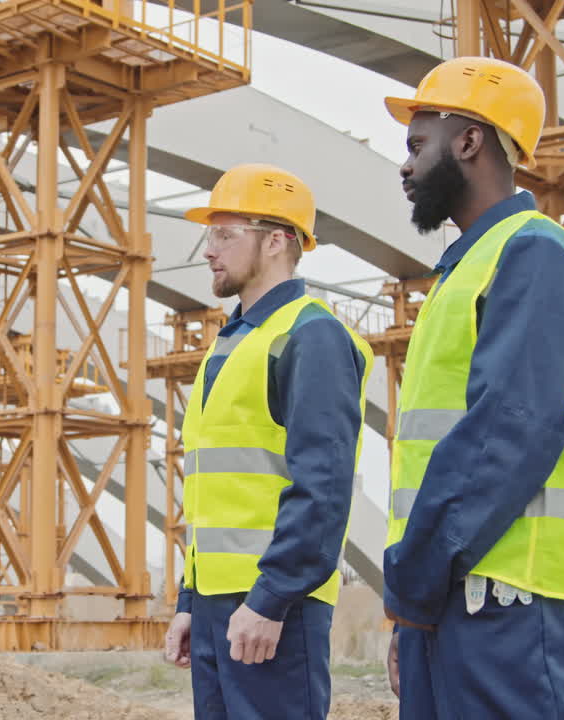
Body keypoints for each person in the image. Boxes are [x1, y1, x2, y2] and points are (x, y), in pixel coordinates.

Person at [380, 56, 564, 719]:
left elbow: (506, 434)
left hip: (507, 604)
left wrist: (414, 587)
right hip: (460, 598)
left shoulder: (531, 254)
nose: (405, 167)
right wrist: (413, 608)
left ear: (468, 141)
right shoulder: (468, 268)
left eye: (417, 145)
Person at [160, 163, 373, 719]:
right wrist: (190, 601)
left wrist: (271, 599)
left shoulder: (311, 336)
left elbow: (323, 487)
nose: (209, 251)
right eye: (209, 235)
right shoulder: (231, 344)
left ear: (277, 241)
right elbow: (215, 498)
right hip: (220, 607)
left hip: (274, 608)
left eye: (224, 234)